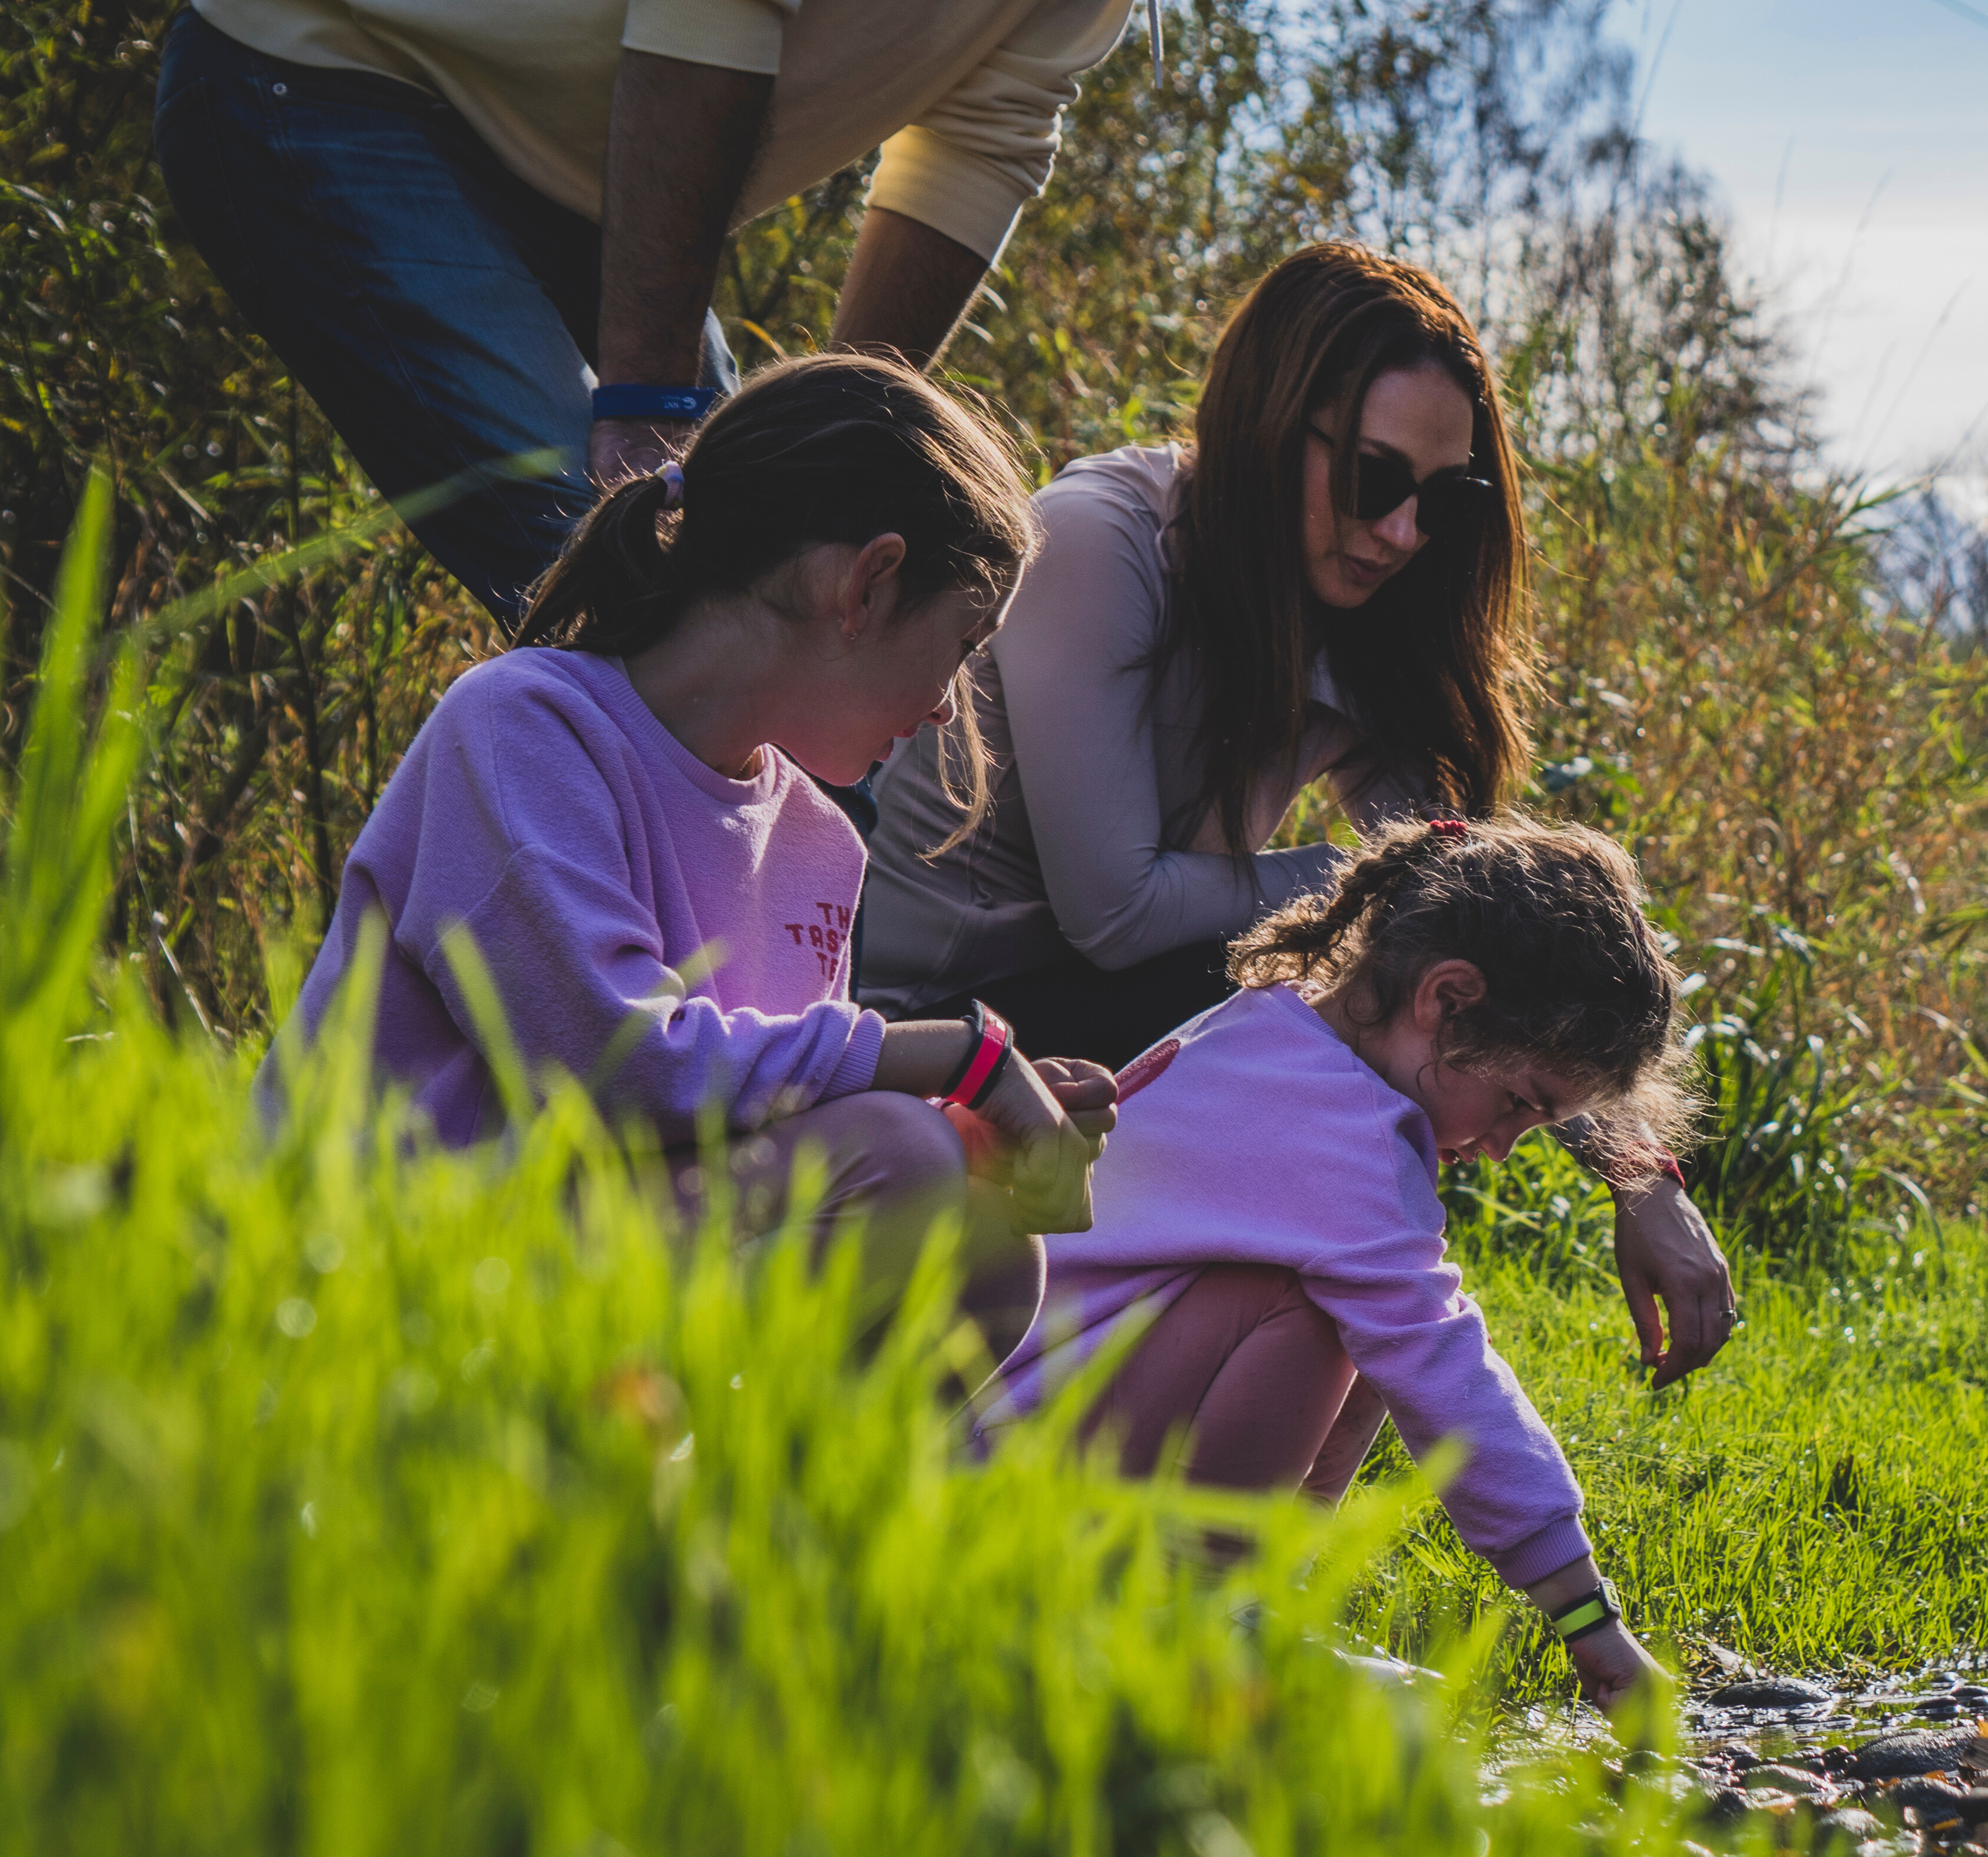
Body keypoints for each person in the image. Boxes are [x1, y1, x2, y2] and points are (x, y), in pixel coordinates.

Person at [865, 238, 1736, 1391]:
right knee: (1349, 1015)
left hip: (1120, 1027)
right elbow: (1114, 912)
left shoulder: (1356, 610)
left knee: (1414, 1027)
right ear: (1276, 424)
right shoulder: (1097, 541)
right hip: (937, 1022)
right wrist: (1379, 866)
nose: (1403, 532)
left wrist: (1641, 1175)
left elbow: (1482, 927)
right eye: (1376, 479)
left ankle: (1236, 1372)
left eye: (1444, 498)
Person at [260, 356, 1116, 1363]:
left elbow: (740, 1114)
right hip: (373, 1275)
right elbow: (612, 1070)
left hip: (591, 1256)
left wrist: (961, 1117)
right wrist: (961, 1054)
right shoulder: (525, 728)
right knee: (903, 1163)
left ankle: (711, 1519)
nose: (944, 708)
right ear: (869, 583)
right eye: (962, 643)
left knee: (983, 1241)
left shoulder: (820, 844)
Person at [153, 0, 1175, 630]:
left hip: (585, 185)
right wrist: (647, 407)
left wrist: (840, 455)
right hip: (334, 61)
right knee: (658, 600)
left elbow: (990, 128)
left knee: (792, 599)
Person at [987, 815, 1697, 1712]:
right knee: (1329, 1309)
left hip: (1010, 1438)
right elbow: (1451, 1375)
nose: (1507, 1146)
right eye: (1520, 1102)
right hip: (1009, 1479)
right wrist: (1590, 1622)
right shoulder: (1348, 1136)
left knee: (1359, 1311)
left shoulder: (1279, 1036)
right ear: (1446, 997)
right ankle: (1191, 1621)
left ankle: (1242, 1606)